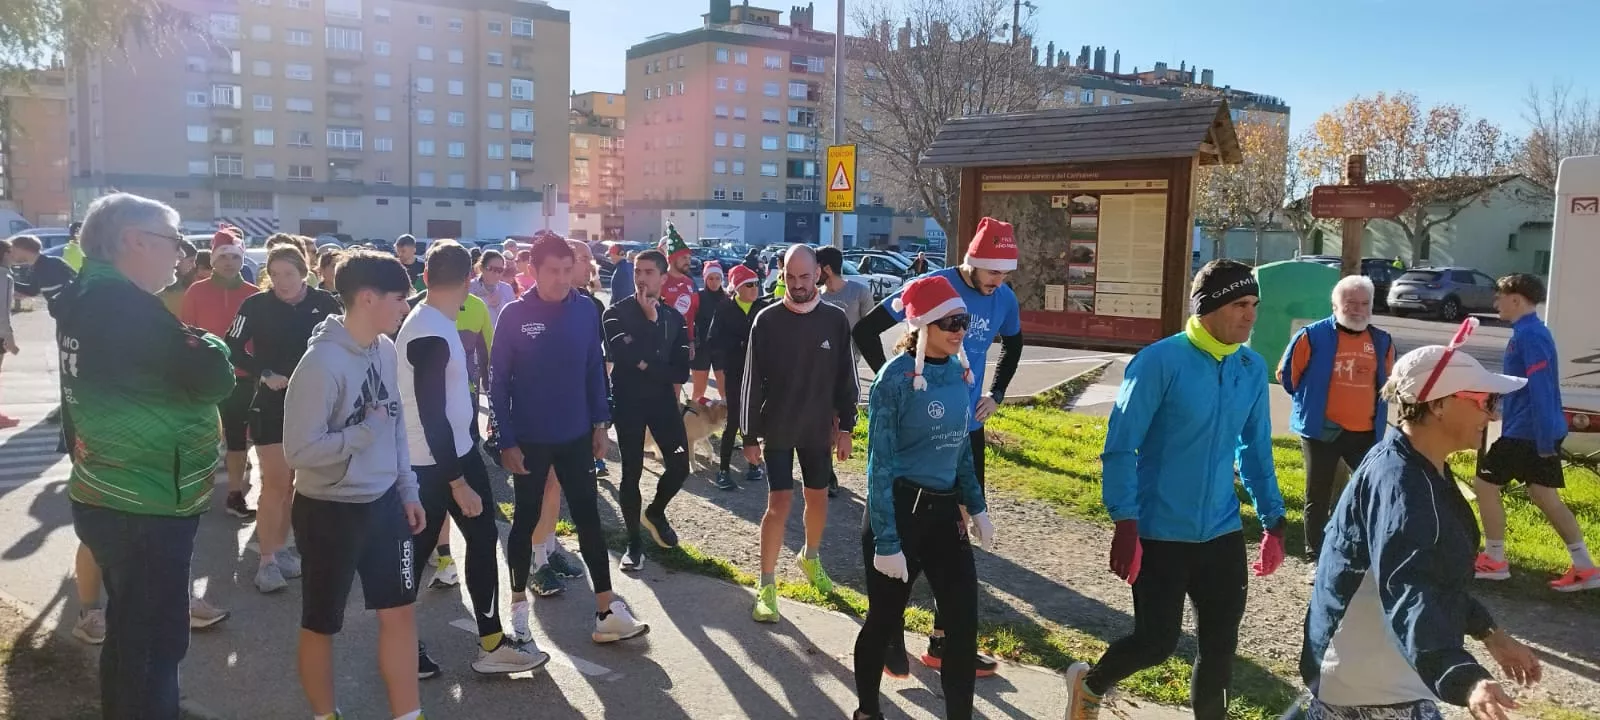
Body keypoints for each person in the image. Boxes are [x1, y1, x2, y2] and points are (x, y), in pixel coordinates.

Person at [1063, 260, 1287, 720]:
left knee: (1220, 650)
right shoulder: (1160, 362)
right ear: (1209, 308)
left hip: (1221, 531)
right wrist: (1126, 521)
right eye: (1240, 305)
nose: (1251, 315)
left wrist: (1273, 521)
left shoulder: (1250, 366)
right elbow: (1121, 447)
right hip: (1160, 531)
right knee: (1156, 643)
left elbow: (1256, 451)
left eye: (1254, 305)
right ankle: (1091, 684)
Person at [58, 193, 237, 718]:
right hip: (144, 501)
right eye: (174, 242)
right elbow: (211, 376)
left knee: (133, 636)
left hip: (114, 491)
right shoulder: (125, 307)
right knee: (155, 644)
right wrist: (216, 346)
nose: (181, 255)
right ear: (134, 241)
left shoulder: (86, 293)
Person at [1303, 338, 1542, 720]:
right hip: (1369, 681)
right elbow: (1411, 587)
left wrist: (1490, 634)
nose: (1493, 416)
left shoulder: (1419, 466)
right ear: (1438, 405)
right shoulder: (1401, 484)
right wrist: (1462, 676)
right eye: (1484, 402)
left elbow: (1438, 575)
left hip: (1388, 672)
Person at [853, 217, 1023, 676]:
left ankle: (943, 643)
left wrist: (997, 393)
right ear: (972, 262)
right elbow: (866, 330)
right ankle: (888, 632)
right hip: (915, 435)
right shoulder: (932, 284)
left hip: (964, 430)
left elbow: (1015, 342)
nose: (999, 283)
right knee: (905, 536)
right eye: (993, 272)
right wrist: (903, 380)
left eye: (1005, 274)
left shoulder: (1003, 298)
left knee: (957, 531)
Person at [281, 249, 425, 720]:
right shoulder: (320, 363)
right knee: (322, 624)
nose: (406, 308)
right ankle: (327, 715)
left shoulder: (384, 349)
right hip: (328, 511)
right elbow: (299, 453)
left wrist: (407, 488)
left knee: (400, 612)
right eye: (400, 298)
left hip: (384, 505)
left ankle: (409, 716)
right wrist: (363, 434)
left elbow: (396, 424)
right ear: (367, 298)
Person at [397, 241, 548, 677]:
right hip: (433, 466)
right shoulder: (427, 330)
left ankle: (492, 642)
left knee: (482, 543)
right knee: (412, 555)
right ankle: (401, 644)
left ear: (425, 277)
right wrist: (456, 481)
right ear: (468, 282)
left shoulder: (435, 321)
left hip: (456, 456)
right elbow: (430, 416)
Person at [490, 234, 649, 644]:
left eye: (568, 270)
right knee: (525, 521)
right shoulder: (512, 315)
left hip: (576, 435)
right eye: (553, 272)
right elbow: (498, 383)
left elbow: (594, 368)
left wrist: (600, 423)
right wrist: (506, 440)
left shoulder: (585, 311)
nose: (562, 279)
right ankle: (519, 612)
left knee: (589, 520)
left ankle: (605, 610)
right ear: (532, 271)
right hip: (529, 440)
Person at [852, 275, 993, 720]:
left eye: (963, 321)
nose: (960, 330)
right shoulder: (893, 382)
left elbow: (961, 449)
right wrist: (888, 542)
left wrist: (977, 505)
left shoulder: (958, 371)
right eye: (950, 321)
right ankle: (868, 711)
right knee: (883, 621)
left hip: (943, 516)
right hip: (898, 514)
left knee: (964, 627)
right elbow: (879, 465)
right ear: (923, 325)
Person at [742, 244, 858, 623]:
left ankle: (810, 558)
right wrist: (747, 435)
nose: (797, 285)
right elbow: (750, 381)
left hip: (817, 428)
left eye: (804, 277)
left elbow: (847, 377)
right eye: (790, 277)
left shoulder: (835, 319)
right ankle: (767, 584)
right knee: (779, 505)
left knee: (819, 499)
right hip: (777, 427)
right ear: (782, 273)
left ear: (819, 275)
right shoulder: (767, 319)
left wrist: (847, 428)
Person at [227, 244, 344, 594]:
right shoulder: (256, 305)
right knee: (276, 483)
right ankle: (266, 562)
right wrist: (263, 372)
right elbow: (229, 346)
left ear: (304, 272)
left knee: (299, 484)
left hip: (316, 405)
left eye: (288, 274)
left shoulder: (326, 303)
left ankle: (284, 548)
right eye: (274, 275)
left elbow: (347, 342)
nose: (281, 282)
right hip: (272, 403)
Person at [1474, 274, 1597, 591]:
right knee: (1543, 495)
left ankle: (1495, 560)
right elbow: (1522, 384)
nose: (1495, 302)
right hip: (1531, 428)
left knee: (1484, 484)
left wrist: (1544, 441)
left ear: (1516, 299)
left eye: (1499, 296)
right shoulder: (1526, 332)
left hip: (1530, 432)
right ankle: (1585, 568)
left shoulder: (1531, 336)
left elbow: (1542, 388)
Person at [1279, 275, 1395, 583]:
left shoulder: (1382, 340)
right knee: (1318, 495)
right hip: (1321, 431)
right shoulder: (1312, 336)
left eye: (1364, 303)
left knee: (1372, 494)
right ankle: (1316, 558)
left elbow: (1389, 383)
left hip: (1366, 433)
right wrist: (1315, 403)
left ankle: (1363, 555)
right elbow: (1287, 376)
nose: (1358, 309)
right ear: (1335, 305)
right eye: (1350, 303)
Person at [604, 249, 692, 569]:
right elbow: (621, 355)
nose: (641, 277)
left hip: (662, 403)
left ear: (663, 277)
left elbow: (681, 372)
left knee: (681, 466)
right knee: (631, 473)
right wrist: (650, 348)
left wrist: (645, 358)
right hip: (628, 401)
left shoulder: (674, 318)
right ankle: (634, 543)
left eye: (649, 272)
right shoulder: (614, 313)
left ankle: (654, 512)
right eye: (637, 271)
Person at [181, 229, 261, 519]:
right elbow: (185, 335)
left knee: (239, 440)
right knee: (203, 439)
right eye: (223, 257)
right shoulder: (196, 291)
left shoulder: (254, 295)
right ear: (213, 260)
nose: (229, 262)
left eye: (235, 257)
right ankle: (193, 494)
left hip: (242, 378)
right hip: (205, 380)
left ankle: (235, 494)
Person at [706, 264, 773, 491]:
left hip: (761, 373)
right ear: (737, 288)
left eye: (756, 284)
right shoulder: (724, 308)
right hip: (735, 373)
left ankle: (754, 463)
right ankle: (723, 470)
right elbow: (713, 339)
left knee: (755, 419)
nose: (755, 289)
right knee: (734, 419)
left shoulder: (764, 308)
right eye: (749, 285)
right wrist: (737, 347)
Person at [817, 246, 876, 497]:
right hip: (822, 369)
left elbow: (871, 329)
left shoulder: (859, 292)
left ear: (827, 268)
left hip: (849, 369)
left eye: (817, 267)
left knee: (842, 419)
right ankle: (827, 473)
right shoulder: (816, 295)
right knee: (825, 421)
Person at [659, 225, 700, 376]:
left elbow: (691, 316)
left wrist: (691, 341)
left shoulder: (689, 283)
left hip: (681, 341)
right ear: (672, 258)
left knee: (677, 381)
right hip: (661, 341)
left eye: (689, 258)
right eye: (684, 257)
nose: (688, 261)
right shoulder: (660, 280)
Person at [690, 260, 730, 405]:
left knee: (725, 391)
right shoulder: (697, 297)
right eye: (710, 278)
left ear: (722, 279)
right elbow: (688, 322)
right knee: (698, 392)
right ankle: (693, 421)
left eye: (717, 278)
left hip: (721, 348)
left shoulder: (727, 298)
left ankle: (726, 423)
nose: (714, 282)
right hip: (702, 348)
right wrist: (691, 342)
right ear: (705, 279)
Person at [6, 233, 77, 313]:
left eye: (13, 251)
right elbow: (32, 290)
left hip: (73, 314)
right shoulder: (37, 267)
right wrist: (7, 281)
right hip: (64, 315)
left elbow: (77, 284)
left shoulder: (53, 264)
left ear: (22, 249)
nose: (11, 255)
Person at [469, 249, 516, 326]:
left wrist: (499, 305)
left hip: (500, 335)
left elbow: (513, 317)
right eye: (491, 269)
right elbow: (461, 310)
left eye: (500, 270)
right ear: (481, 268)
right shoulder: (469, 287)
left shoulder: (507, 289)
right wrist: (484, 302)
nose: (496, 274)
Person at [158, 238, 199, 316]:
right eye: (191, 260)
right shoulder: (162, 287)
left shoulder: (187, 282)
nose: (194, 265)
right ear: (178, 259)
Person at [0, 238, 17, 428]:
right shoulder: (4, 276)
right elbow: (2, 311)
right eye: (11, 252)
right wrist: (9, 338)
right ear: (4, 255)